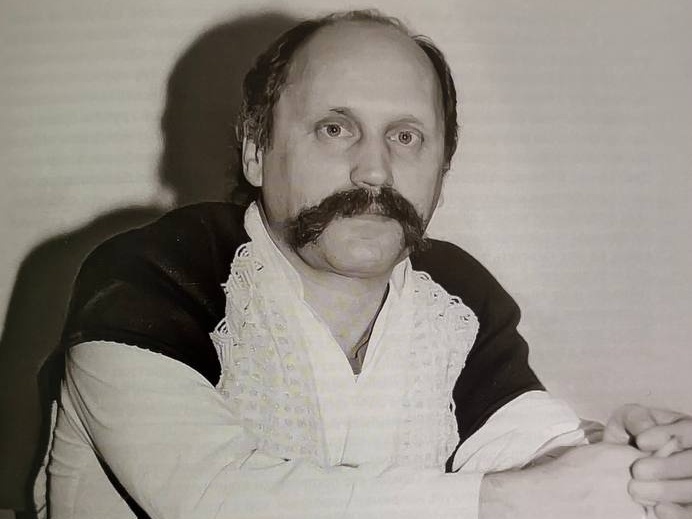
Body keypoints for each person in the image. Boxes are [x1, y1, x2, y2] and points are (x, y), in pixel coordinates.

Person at [35, 9, 692, 519]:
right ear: (256, 151)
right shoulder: (150, 273)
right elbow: (212, 495)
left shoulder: (457, 293)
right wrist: (513, 500)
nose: (375, 171)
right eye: (335, 129)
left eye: (405, 136)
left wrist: (637, 465)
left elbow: (526, 443)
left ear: (442, 170)